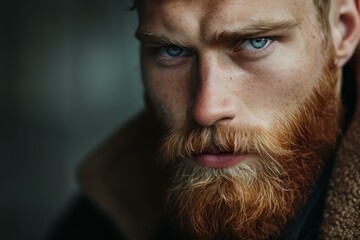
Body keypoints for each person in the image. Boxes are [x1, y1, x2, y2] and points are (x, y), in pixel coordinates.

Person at [47, 0, 360, 239]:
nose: (206, 109)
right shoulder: (109, 211)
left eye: (255, 42)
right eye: (171, 50)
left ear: (343, 31)